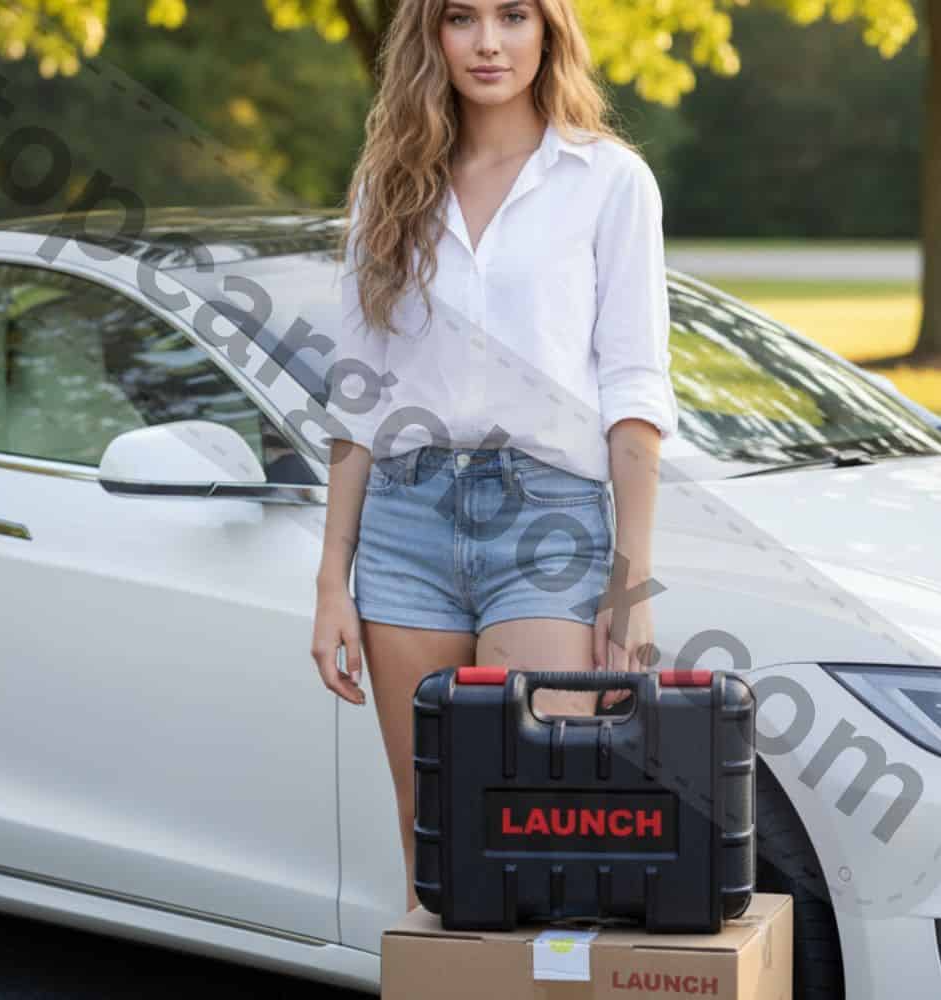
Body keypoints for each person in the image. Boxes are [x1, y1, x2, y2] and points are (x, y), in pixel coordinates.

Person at [311, 0, 680, 914]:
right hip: (405, 525)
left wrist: (628, 583)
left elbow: (635, 392)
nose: (487, 42)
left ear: (550, 29)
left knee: (536, 830)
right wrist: (331, 580)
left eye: (514, 15)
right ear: (429, 35)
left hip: (547, 527)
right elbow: (360, 390)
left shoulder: (608, 181)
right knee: (429, 834)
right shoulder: (389, 185)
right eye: (461, 17)